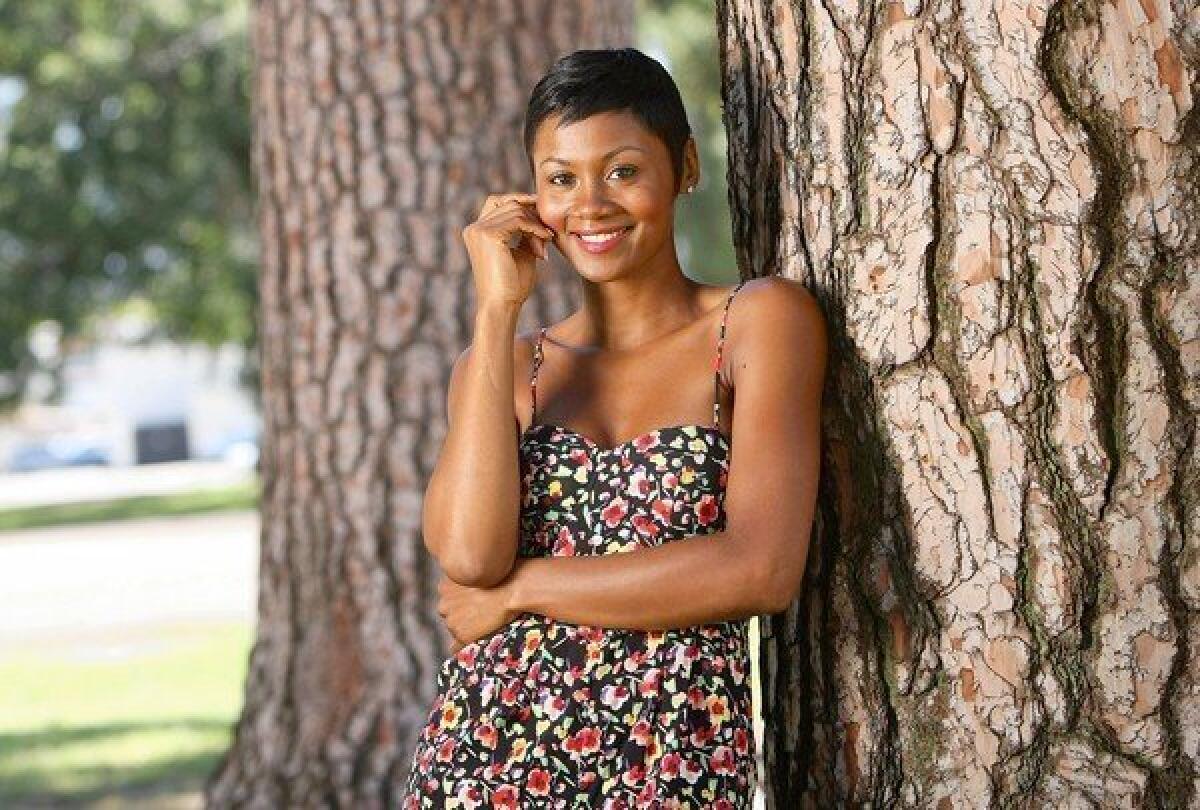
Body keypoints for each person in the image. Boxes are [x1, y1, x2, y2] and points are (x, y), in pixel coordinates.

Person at [402, 47, 825, 807]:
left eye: (622, 170)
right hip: (483, 761)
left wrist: (523, 591)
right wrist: (498, 310)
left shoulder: (757, 321)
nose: (590, 205)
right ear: (532, 196)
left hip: (669, 763)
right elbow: (469, 556)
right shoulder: (507, 365)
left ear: (686, 166)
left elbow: (759, 569)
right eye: (561, 179)